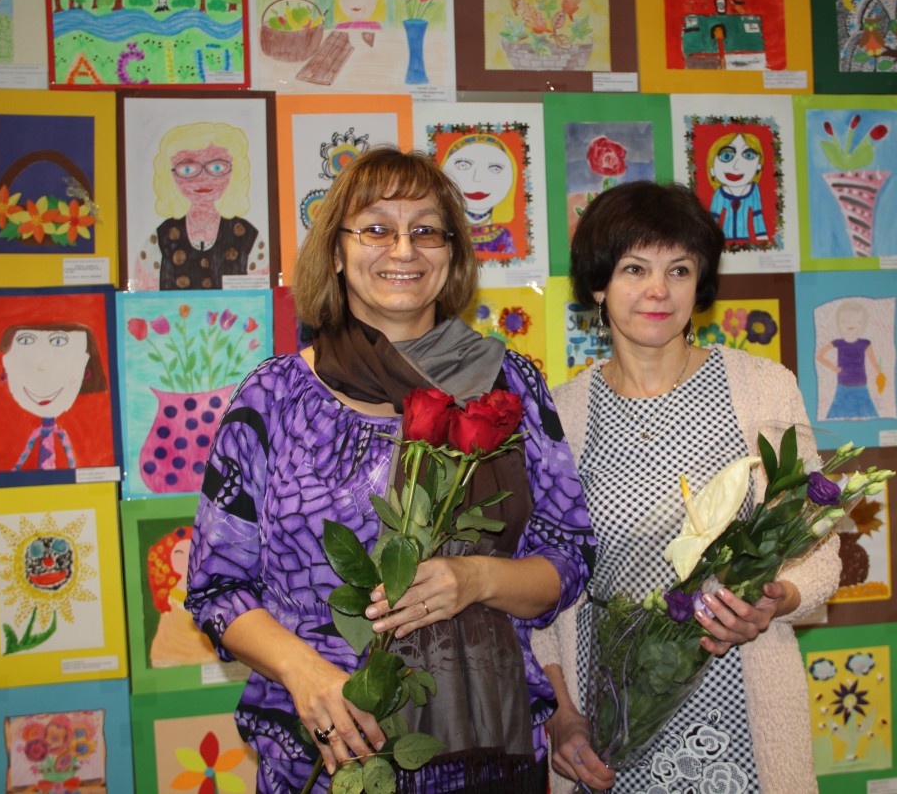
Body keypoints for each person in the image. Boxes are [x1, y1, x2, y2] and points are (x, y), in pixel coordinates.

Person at [186, 147, 595, 793]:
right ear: (337, 251)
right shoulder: (274, 397)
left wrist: (476, 578)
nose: (404, 249)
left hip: (490, 753)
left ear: (451, 255)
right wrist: (304, 671)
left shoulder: (508, 384)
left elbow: (569, 557)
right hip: (327, 757)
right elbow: (217, 588)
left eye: (426, 230)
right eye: (376, 228)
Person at [534, 181, 842, 793]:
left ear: (699, 284)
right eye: (634, 269)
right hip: (612, 719)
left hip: (742, 700)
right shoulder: (560, 415)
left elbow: (817, 545)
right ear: (598, 285)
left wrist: (777, 598)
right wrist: (559, 711)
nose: (659, 290)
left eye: (679, 269)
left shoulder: (763, 388)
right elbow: (544, 584)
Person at [136, 122, 265, 290]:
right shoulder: (160, 239)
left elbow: (260, 298)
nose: (203, 178)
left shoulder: (249, 238)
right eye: (187, 169)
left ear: (235, 170)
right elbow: (144, 296)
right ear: (169, 174)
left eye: (217, 167)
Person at [0, 322, 107, 471]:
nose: (43, 365)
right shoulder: (4, 439)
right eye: (26, 340)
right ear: (6, 361)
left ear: (85, 362)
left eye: (59, 341)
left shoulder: (94, 437)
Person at [440, 133, 519, 258]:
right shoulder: (441, 233)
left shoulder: (503, 236)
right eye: (463, 165)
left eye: (495, 168)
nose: (477, 178)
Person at [147, 526, 217, 668]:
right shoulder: (169, 596)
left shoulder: (212, 589)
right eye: (179, 554)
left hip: (209, 655)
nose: (185, 560)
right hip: (172, 652)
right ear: (168, 557)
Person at [815, 300, 885, 420]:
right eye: (844, 321)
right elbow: (820, 355)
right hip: (843, 386)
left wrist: (879, 372)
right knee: (842, 417)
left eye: (855, 321)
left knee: (862, 417)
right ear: (839, 324)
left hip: (861, 385)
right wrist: (833, 368)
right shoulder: (838, 343)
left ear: (862, 324)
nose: (850, 324)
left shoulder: (865, 343)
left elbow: (872, 359)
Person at [705, 131, 768, 243]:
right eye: (726, 156)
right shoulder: (720, 194)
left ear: (759, 166)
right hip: (723, 243)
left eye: (748, 155)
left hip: (746, 239)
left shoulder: (754, 191)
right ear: (712, 169)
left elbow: (757, 215)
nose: (736, 166)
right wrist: (710, 242)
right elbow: (713, 219)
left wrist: (762, 238)